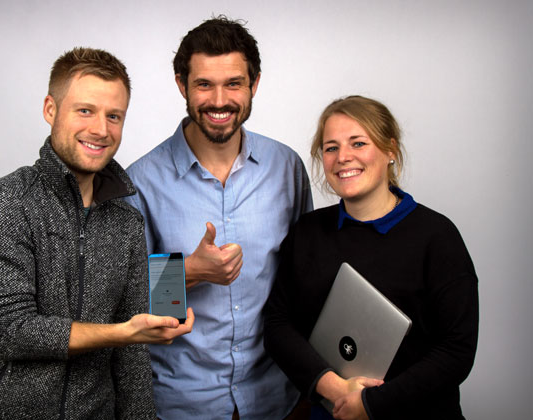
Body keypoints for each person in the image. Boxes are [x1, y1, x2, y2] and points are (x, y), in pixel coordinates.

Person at [0, 47, 194, 420]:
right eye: (85, 110)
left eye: (114, 116)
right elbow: (8, 330)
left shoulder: (126, 221)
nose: (101, 130)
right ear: (50, 110)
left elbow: (132, 362)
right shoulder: (2, 201)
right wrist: (123, 332)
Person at [124, 16, 313, 420]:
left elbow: (303, 280)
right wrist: (187, 272)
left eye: (233, 84)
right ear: (182, 85)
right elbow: (122, 302)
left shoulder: (287, 168)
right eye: (204, 84)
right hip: (182, 402)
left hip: (277, 398)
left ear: (254, 84)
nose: (219, 101)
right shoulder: (139, 182)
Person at [264, 95, 479, 420]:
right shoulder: (308, 232)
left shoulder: (437, 237)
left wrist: (371, 404)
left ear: (390, 150)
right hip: (329, 410)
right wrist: (333, 388)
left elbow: (456, 351)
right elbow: (278, 326)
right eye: (331, 147)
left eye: (358, 143)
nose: (343, 157)